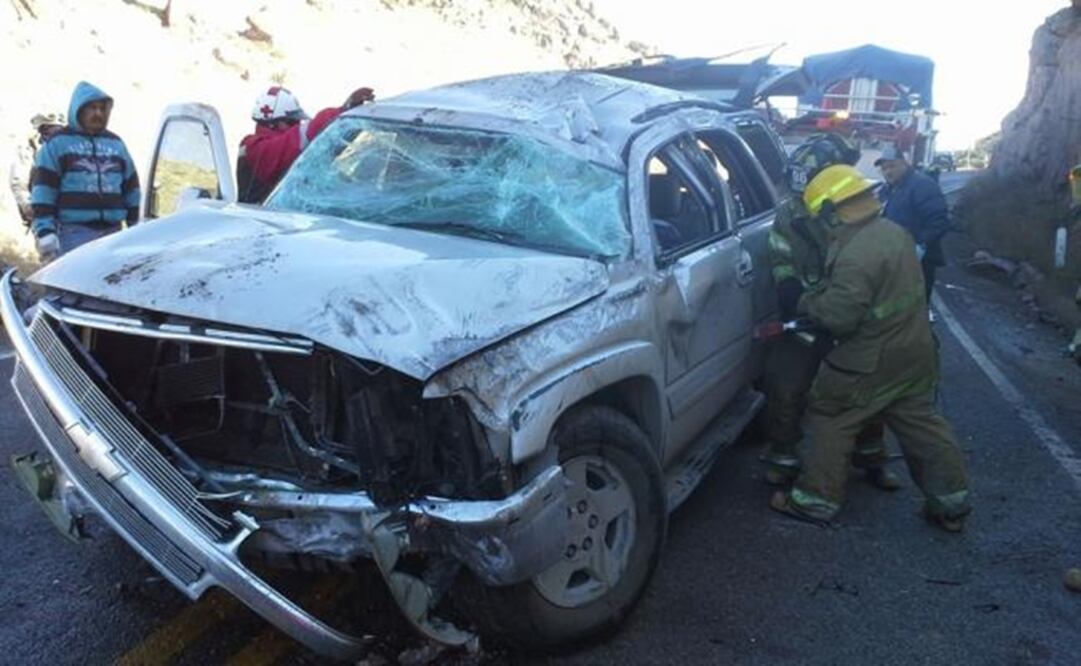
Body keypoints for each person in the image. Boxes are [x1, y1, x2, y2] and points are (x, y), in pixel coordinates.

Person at [769, 164, 971, 532]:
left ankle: (815, 500)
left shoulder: (855, 252)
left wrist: (802, 301)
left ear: (833, 210)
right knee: (921, 424)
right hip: (914, 354)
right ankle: (951, 505)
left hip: (869, 360)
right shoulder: (894, 233)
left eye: (822, 216)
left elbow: (839, 316)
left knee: (831, 414)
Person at [762, 134, 901, 491]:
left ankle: (871, 458)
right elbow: (781, 253)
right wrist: (789, 288)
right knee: (786, 383)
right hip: (806, 316)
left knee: (865, 391)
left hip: (851, 319)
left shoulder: (861, 210)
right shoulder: (791, 213)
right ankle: (783, 459)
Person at [30, 82, 140, 261]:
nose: (98, 113)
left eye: (102, 109)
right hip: (73, 233)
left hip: (114, 234)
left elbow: (132, 189)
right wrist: (45, 231)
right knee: (72, 287)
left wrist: (138, 227)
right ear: (79, 110)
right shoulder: (58, 144)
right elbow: (43, 191)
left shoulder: (117, 145)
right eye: (92, 108)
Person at [237, 85, 375, 204]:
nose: (297, 125)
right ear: (275, 124)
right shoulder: (255, 147)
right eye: (292, 121)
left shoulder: (281, 152)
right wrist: (342, 110)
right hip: (258, 224)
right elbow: (300, 137)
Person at [875, 145, 950, 300]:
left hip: (919, 262)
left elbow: (939, 221)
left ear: (904, 163)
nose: (888, 171)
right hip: (895, 257)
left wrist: (920, 245)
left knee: (916, 303)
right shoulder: (887, 189)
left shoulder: (922, 185)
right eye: (884, 168)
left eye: (892, 166)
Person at [10, 112, 66, 227]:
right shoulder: (28, 150)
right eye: (51, 130)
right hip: (45, 216)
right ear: (42, 131)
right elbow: (19, 183)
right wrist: (30, 208)